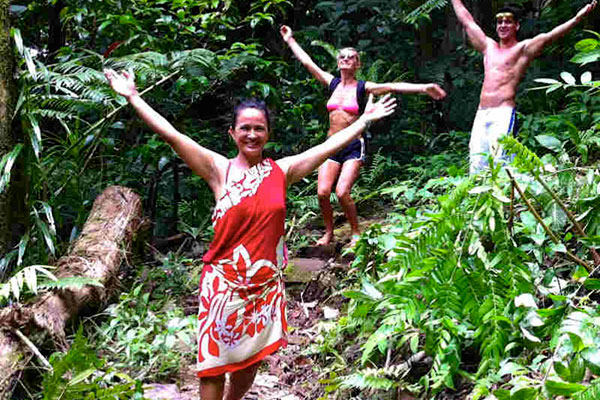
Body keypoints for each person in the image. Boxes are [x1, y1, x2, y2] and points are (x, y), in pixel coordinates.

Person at [104, 68, 396, 400]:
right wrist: (132, 97)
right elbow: (172, 135)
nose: (252, 134)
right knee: (213, 364)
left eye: (259, 129)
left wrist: (364, 121)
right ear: (232, 133)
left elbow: (327, 147)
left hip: (265, 287)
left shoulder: (281, 171)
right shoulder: (219, 170)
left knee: (249, 361)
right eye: (245, 128)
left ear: (267, 134)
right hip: (223, 285)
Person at [280, 25, 446, 246]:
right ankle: (329, 233)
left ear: (357, 64)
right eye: (343, 56)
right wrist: (290, 40)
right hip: (331, 145)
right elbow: (308, 63)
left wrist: (424, 87)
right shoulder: (332, 83)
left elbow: (392, 86)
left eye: (352, 57)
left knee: (341, 192)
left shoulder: (362, 87)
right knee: (322, 192)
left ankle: (356, 231)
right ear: (338, 62)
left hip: (352, 146)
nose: (346, 59)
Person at [450, 0, 597, 173]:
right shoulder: (488, 47)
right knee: (476, 163)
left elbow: (550, 36)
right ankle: (478, 198)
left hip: (502, 114)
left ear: (517, 26)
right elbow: (467, 21)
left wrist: (577, 19)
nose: (503, 25)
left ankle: (510, 196)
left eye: (508, 22)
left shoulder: (522, 49)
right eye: (500, 22)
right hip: (481, 113)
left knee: (500, 162)